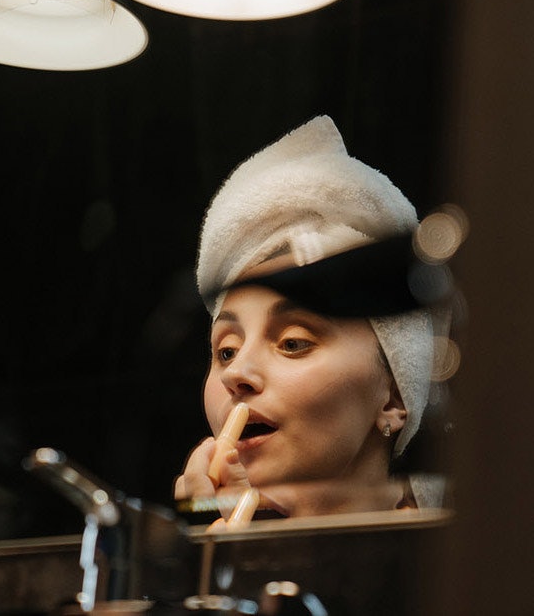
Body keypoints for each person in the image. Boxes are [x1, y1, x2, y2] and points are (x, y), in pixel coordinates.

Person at [174, 115, 450, 527]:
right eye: (226, 351)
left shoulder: (469, 555)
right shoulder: (211, 555)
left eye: (293, 343)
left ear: (394, 397)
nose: (236, 374)